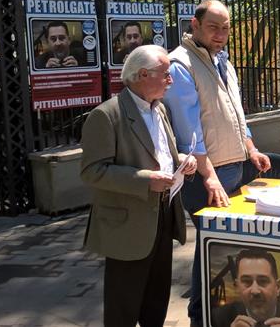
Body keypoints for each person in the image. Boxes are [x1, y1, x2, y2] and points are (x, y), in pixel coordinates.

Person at [164, 0, 271, 327]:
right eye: (213, 27)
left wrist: (251, 148)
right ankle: (199, 316)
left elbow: (237, 114)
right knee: (211, 247)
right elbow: (189, 132)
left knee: (230, 246)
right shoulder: (180, 65)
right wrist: (209, 176)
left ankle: (224, 311)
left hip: (234, 168)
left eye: (225, 28)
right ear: (194, 25)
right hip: (206, 178)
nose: (221, 34)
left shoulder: (223, 61)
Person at [80, 45, 198, 327]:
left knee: (156, 299)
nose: (170, 80)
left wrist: (183, 161)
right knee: (123, 307)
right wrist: (146, 181)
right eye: (165, 74)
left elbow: (162, 153)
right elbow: (92, 171)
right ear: (143, 75)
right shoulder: (106, 115)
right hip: (128, 225)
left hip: (163, 215)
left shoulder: (160, 109)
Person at [211, 249, 280, 327]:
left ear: (277, 287)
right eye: (247, 281)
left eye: (263, 281)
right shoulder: (218, 318)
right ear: (237, 287)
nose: (255, 291)